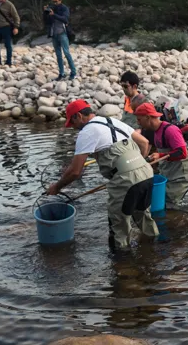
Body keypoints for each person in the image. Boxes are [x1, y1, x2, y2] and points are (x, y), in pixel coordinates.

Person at [47, 99, 158, 250]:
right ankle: (156, 250)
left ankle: (123, 266)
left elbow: (75, 171)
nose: (73, 128)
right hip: (146, 173)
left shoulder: (87, 132)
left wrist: (57, 187)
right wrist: (135, 166)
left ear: (78, 116)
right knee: (143, 215)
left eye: (72, 123)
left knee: (119, 227)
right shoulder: (112, 121)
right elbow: (144, 143)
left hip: (126, 180)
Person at [134, 103, 188, 205]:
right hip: (169, 173)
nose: (138, 122)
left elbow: (182, 152)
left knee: (170, 203)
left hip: (182, 175)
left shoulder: (170, 130)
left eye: (139, 119)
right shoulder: (154, 131)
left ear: (148, 117)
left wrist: (160, 156)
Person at [43, 0, 77, 81]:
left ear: (60, 0)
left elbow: (65, 19)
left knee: (66, 53)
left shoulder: (64, 8)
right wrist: (45, 12)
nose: (54, 3)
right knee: (58, 55)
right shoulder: (51, 8)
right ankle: (61, 73)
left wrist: (54, 14)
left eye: (56, 1)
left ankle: (73, 72)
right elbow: (46, 22)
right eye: (53, 1)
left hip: (63, 33)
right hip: (54, 34)